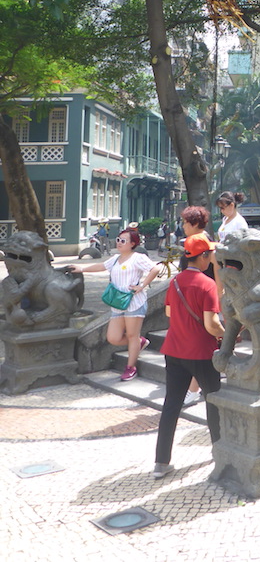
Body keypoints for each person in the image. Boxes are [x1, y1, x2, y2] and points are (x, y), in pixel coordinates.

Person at [152, 222, 225, 480]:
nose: (212, 258)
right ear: (203, 256)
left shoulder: (175, 283)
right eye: (210, 254)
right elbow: (211, 324)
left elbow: (170, 312)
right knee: (214, 402)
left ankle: (161, 462)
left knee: (171, 404)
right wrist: (225, 335)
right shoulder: (208, 285)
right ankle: (221, 453)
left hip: (174, 349)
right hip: (202, 353)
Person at [68, 227, 160, 380]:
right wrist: (82, 268)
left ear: (132, 243)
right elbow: (102, 266)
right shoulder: (116, 259)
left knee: (132, 335)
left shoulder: (137, 257)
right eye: (118, 240)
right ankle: (138, 343)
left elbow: (155, 268)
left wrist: (142, 285)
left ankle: (131, 367)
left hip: (134, 302)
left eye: (123, 241)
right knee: (113, 338)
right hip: (117, 303)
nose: (119, 243)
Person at [179, 204, 222, 407]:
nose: (183, 226)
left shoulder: (207, 245)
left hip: (203, 299)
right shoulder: (191, 241)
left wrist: (219, 296)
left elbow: (219, 272)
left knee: (201, 345)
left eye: (185, 223)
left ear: (195, 223)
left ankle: (195, 389)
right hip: (192, 298)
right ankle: (199, 387)